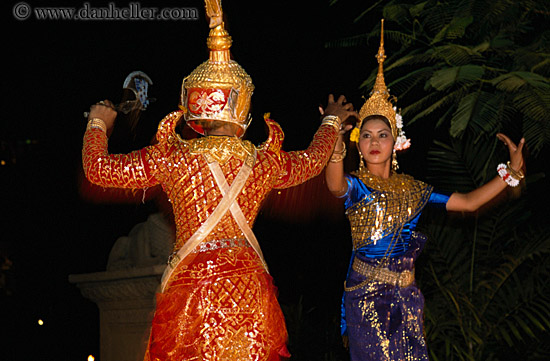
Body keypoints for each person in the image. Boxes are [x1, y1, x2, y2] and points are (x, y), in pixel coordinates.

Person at [82, 2, 355, 360]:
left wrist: (98, 123)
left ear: (195, 110)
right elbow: (312, 160)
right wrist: (331, 121)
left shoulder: (172, 157)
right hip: (247, 292)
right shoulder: (262, 161)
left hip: (191, 291)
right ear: (242, 109)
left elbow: (98, 170)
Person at [324, 20, 525, 361]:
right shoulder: (357, 185)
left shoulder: (414, 189)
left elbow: (468, 202)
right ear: (359, 145)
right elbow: (333, 184)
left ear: (395, 142)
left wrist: (511, 176)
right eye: (367, 135)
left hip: (408, 297)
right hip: (367, 298)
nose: (375, 141)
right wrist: (332, 134)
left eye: (382, 135)